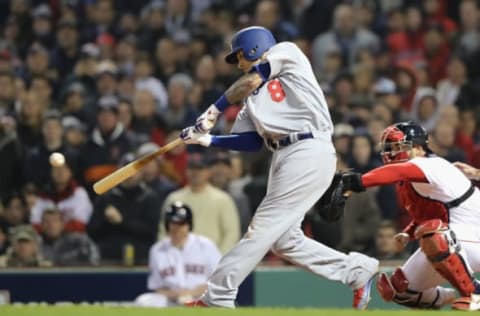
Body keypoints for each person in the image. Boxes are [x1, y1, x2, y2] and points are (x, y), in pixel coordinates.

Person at [179, 26, 378, 309]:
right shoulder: (252, 101)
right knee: (284, 240)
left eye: (238, 57)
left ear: (253, 48)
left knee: (261, 228)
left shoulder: (286, 52)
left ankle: (217, 297)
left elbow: (250, 80)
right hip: (284, 155)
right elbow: (250, 142)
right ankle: (355, 271)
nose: (238, 65)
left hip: (308, 146)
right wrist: (208, 139)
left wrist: (213, 111)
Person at [342, 121, 480, 310]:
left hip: (473, 236)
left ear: (416, 147)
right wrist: (408, 231)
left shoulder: (431, 164)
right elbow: (430, 211)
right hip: (459, 240)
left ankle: (474, 292)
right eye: (388, 148)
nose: (391, 153)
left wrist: (358, 181)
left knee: (434, 234)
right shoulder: (415, 177)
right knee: (398, 290)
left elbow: (398, 171)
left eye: (397, 147)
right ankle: (446, 297)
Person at [135, 202, 221, 307]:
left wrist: (191, 294)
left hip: (201, 298)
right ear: (167, 225)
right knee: (143, 301)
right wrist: (177, 295)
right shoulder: (157, 250)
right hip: (171, 300)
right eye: (173, 223)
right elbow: (157, 287)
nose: (177, 228)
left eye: (181, 224)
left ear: (189, 225)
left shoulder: (205, 245)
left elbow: (218, 281)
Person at [87, 153, 160, 265]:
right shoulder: (106, 197)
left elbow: (151, 232)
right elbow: (92, 231)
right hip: (108, 259)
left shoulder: (150, 198)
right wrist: (106, 221)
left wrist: (122, 221)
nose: (129, 175)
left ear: (141, 172)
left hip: (141, 260)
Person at [162, 152, 240, 254]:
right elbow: (164, 231)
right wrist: (171, 256)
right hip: (179, 260)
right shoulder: (174, 198)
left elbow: (231, 233)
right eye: (192, 169)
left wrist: (218, 259)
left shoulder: (223, 199)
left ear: (208, 172)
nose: (196, 173)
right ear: (186, 172)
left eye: (200, 169)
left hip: (212, 260)